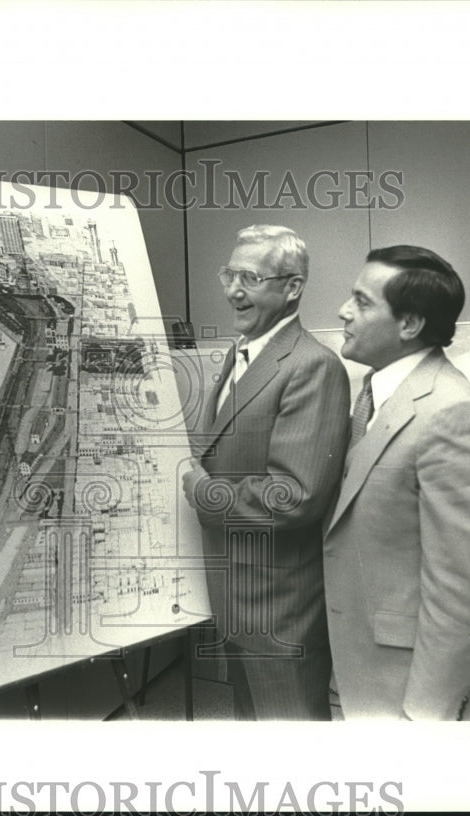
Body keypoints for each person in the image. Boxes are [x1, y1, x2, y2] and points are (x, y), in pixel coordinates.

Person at [324, 244, 470, 720]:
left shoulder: (453, 413)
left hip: (414, 696)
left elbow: (461, 590)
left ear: (409, 325)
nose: (343, 311)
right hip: (368, 672)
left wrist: (426, 718)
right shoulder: (379, 395)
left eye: (362, 302)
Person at [182, 225, 350, 720]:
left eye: (251, 277)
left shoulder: (312, 366)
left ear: (292, 287)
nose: (234, 290)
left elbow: (295, 494)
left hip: (281, 611)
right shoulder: (241, 354)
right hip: (239, 600)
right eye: (229, 274)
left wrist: (204, 493)